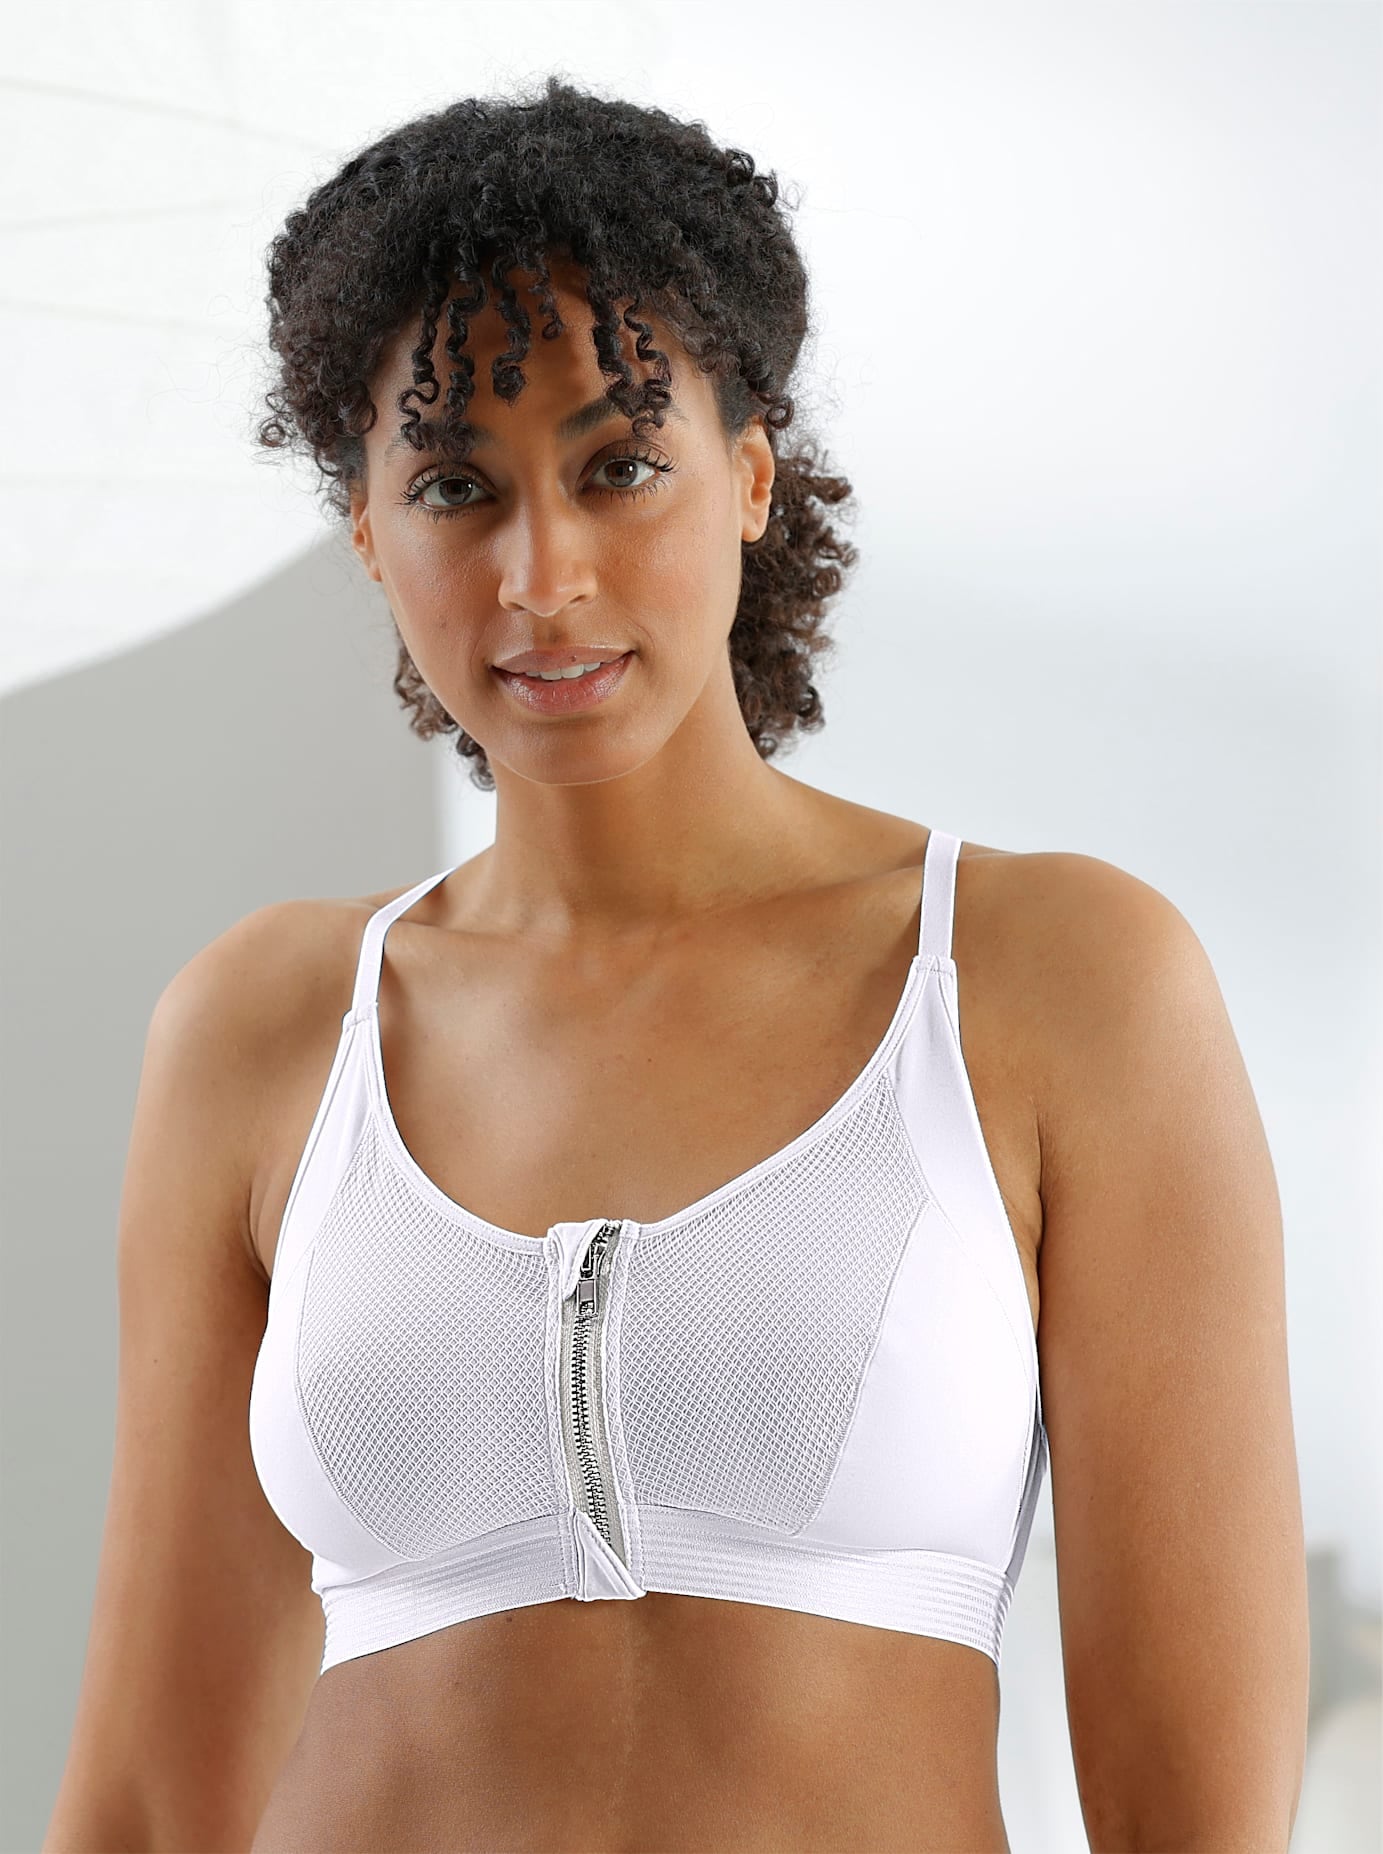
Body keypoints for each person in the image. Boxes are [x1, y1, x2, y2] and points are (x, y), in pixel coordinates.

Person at [44, 74, 1309, 1854]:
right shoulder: (265, 1026)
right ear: (369, 532)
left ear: (752, 475)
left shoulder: (1056, 979)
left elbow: (1198, 1817)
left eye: (618, 464)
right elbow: (144, 1804)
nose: (539, 573)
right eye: (454, 487)